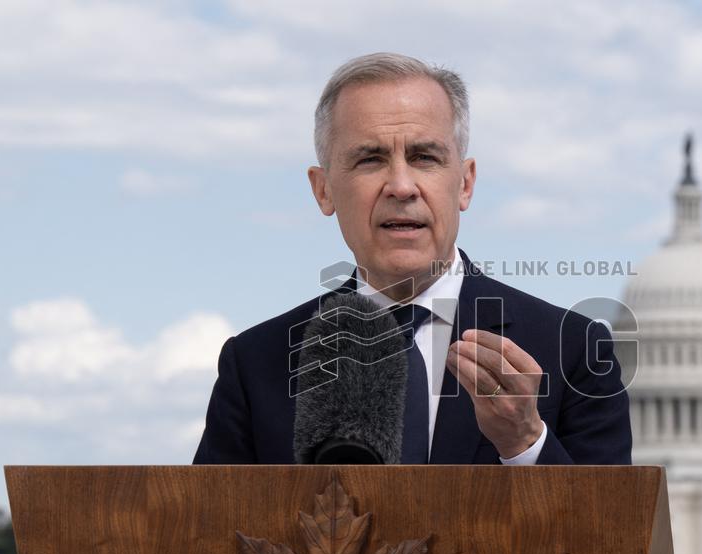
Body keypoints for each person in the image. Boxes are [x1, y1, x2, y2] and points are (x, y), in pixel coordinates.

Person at [193, 52, 631, 466]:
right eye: (370, 159)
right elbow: (208, 536)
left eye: (424, 157)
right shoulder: (256, 364)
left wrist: (524, 442)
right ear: (323, 189)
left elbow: (614, 538)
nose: (401, 186)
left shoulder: (573, 349)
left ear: (464, 184)